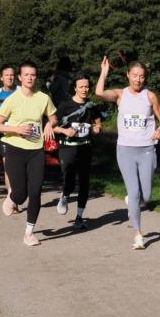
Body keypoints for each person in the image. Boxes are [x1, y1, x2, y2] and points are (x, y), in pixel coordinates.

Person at [95, 56, 160, 250]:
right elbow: (99, 93)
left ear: (145, 78)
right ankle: (138, 234)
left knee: (147, 195)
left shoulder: (150, 96)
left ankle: (133, 202)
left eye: (142, 77)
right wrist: (104, 72)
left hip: (146, 150)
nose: (138, 80)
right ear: (128, 75)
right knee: (134, 192)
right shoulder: (121, 95)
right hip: (125, 150)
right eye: (134, 75)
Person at [0, 61, 56, 246]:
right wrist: (16, 130)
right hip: (14, 149)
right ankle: (12, 198)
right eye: (26, 75)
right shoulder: (11, 99)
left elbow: (54, 117)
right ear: (20, 77)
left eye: (33, 75)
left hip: (36, 151)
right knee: (21, 194)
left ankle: (29, 233)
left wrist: (51, 124)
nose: (30, 78)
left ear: (36, 77)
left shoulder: (43, 98)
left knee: (35, 191)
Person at [54, 71, 103, 227]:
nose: (84, 89)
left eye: (87, 86)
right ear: (74, 88)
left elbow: (97, 122)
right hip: (67, 147)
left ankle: (79, 218)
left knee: (84, 182)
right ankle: (65, 195)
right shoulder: (64, 105)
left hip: (85, 148)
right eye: (81, 86)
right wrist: (65, 131)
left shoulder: (91, 106)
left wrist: (97, 128)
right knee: (69, 177)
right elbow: (51, 127)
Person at [0, 64, 17, 189]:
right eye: (7, 75)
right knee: (7, 163)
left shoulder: (21, 91)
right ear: (1, 78)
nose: (10, 77)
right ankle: (12, 198)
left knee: (17, 166)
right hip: (3, 132)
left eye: (12, 75)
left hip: (20, 133)